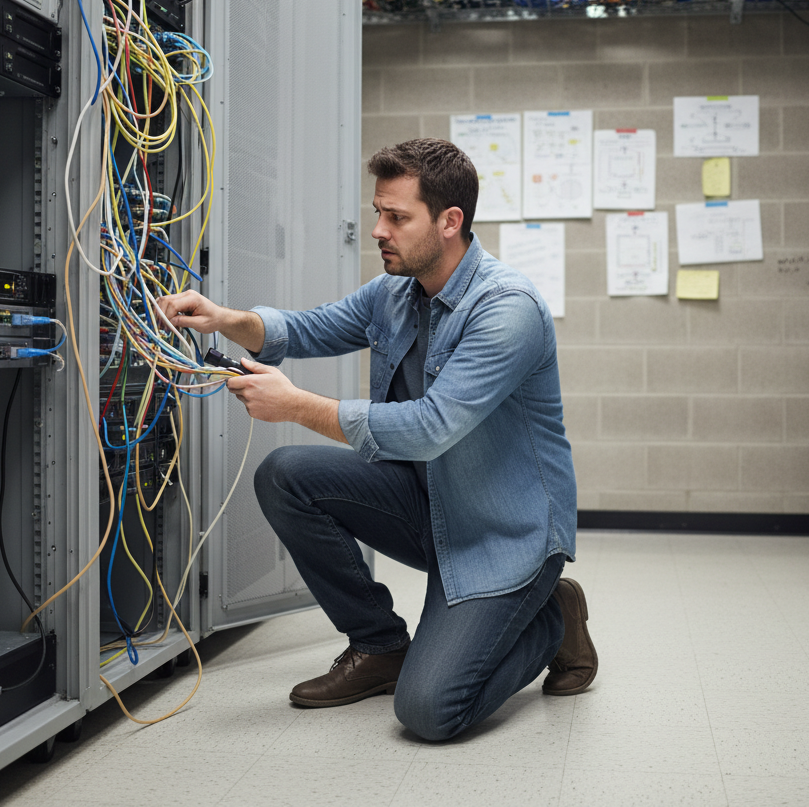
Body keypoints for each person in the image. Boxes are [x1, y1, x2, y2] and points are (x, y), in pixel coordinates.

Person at [156, 138, 596, 741]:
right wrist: (224, 319)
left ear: (449, 222)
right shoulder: (393, 293)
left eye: (396, 217)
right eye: (377, 213)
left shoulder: (506, 309)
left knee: (429, 712)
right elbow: (308, 329)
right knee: (286, 476)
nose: (378, 231)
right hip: (427, 505)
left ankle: (552, 620)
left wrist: (297, 406)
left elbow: (431, 427)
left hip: (502, 535)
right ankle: (379, 645)